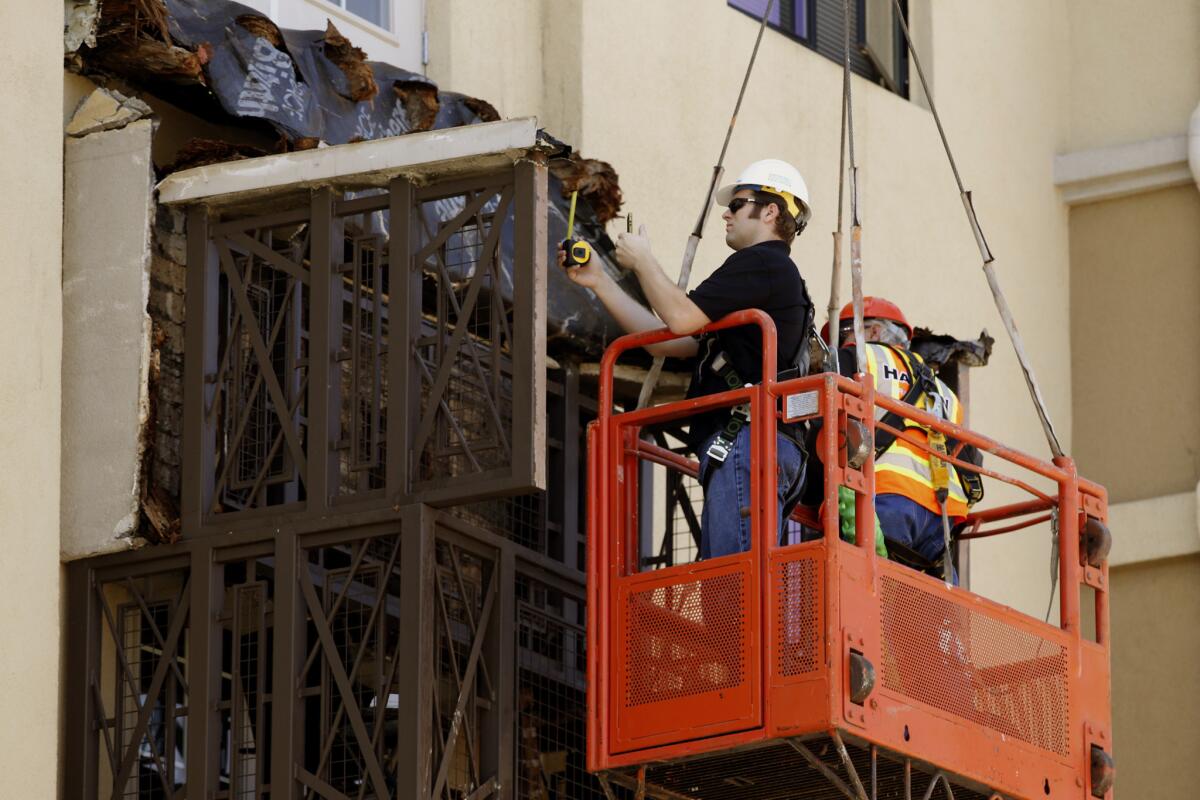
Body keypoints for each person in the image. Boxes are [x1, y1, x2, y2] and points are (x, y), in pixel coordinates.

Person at [560, 159, 815, 559]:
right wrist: (600, 280)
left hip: (750, 441)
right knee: (736, 584)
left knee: (734, 589)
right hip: (756, 442)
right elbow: (667, 343)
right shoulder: (766, 279)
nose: (727, 213)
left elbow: (679, 317)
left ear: (771, 211)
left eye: (739, 203)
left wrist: (644, 261)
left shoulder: (763, 263)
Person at [823, 297, 979, 582]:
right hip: (940, 515)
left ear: (872, 332)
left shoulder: (862, 357)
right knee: (929, 614)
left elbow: (822, 419)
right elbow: (968, 459)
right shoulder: (946, 393)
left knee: (869, 596)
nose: (841, 343)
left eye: (844, 333)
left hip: (887, 496)